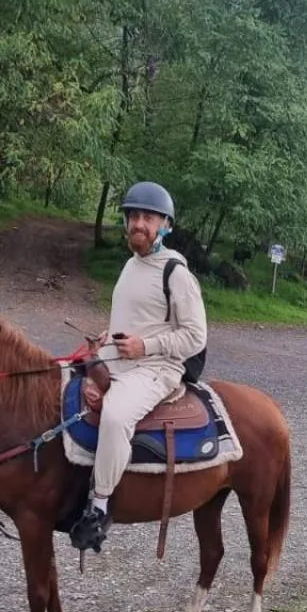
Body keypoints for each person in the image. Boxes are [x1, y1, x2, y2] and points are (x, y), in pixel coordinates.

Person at [69, 181, 208, 553]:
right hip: (122, 357)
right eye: (133, 216)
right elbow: (136, 316)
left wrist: (144, 345)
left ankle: (98, 507)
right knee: (66, 382)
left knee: (114, 415)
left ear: (165, 224)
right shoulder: (131, 264)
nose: (138, 224)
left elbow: (196, 336)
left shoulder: (176, 272)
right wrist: (107, 336)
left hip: (157, 368)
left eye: (148, 217)